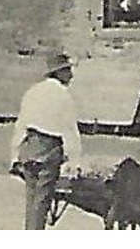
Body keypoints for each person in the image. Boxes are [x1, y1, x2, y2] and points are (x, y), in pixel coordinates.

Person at [11, 51, 84, 230]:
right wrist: (75, 161)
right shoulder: (63, 96)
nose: (71, 75)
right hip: (49, 150)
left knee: (31, 200)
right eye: (67, 70)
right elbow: (70, 130)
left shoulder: (32, 91)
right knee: (41, 202)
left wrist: (14, 156)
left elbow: (21, 124)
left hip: (29, 148)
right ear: (58, 72)